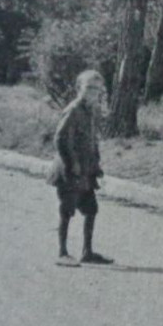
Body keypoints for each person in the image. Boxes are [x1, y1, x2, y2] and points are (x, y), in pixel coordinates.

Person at [49, 69, 113, 265]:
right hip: (70, 170)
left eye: (97, 89)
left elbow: (92, 140)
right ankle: (62, 253)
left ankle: (87, 252)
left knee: (91, 209)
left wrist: (96, 164)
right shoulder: (74, 109)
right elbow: (60, 138)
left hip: (86, 171)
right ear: (79, 88)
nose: (93, 93)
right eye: (89, 88)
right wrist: (72, 163)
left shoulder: (92, 111)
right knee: (67, 210)